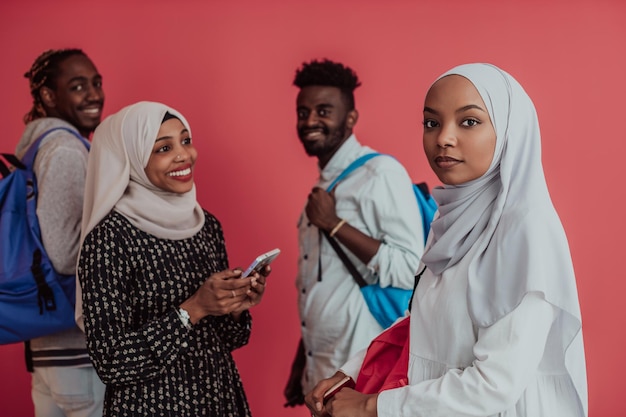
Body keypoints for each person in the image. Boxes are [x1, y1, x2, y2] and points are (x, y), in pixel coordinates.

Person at [305, 63, 588, 417]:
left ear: (509, 130)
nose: (443, 138)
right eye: (431, 122)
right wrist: (350, 373)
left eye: (469, 121)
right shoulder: (451, 218)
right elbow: (420, 320)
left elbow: (494, 386)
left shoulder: (525, 230)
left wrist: (371, 405)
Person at [77, 101, 267, 417]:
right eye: (163, 148)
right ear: (132, 160)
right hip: (151, 406)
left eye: (186, 140)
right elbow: (110, 361)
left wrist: (236, 303)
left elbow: (229, 339)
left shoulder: (206, 224)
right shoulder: (109, 238)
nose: (184, 155)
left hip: (218, 397)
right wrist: (193, 308)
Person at [284, 59, 425, 406]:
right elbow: (321, 283)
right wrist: (302, 363)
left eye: (324, 111)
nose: (310, 121)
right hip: (322, 368)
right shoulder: (325, 185)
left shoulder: (380, 173)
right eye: (303, 112)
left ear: (350, 118)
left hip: (363, 370)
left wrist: (335, 225)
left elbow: (412, 267)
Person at [14, 48, 106, 417]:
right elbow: (65, 254)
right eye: (78, 86)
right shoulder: (65, 150)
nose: (94, 95)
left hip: (49, 348)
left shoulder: (35, 146)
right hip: (75, 354)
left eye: (97, 83)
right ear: (49, 96)